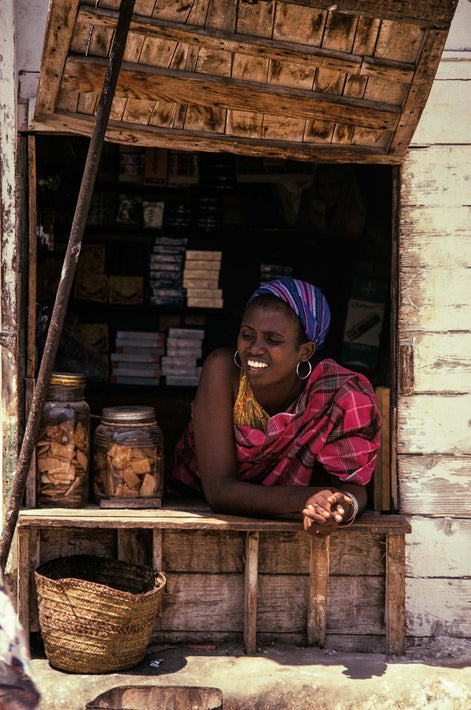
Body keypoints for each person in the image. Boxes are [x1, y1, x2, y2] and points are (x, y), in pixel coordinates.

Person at [171, 278, 381, 537]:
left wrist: (335, 510)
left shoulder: (341, 394)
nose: (254, 349)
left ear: (305, 351)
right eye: (247, 335)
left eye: (272, 340)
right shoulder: (223, 372)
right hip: (194, 514)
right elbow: (218, 491)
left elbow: (353, 489)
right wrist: (307, 498)